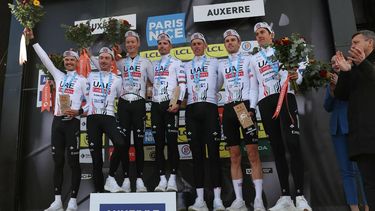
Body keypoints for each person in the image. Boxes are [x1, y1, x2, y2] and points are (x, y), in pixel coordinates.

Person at [249, 22, 312, 211]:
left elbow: (300, 70)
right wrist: (252, 108)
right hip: (266, 102)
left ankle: (300, 197)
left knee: (293, 144)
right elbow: (254, 87)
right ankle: (285, 196)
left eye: (263, 32)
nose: (260, 35)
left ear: (271, 34)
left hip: (286, 98)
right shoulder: (253, 59)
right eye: (257, 33)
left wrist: (296, 77)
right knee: (276, 149)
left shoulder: (284, 49)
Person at [33, 43, 87, 211]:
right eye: (66, 60)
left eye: (72, 60)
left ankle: (72, 200)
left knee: (73, 162)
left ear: (77, 62)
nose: (69, 62)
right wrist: (33, 41)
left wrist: (77, 111)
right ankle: (57, 201)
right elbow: (43, 58)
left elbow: (91, 104)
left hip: (73, 122)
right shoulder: (59, 75)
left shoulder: (83, 80)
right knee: (58, 162)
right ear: (64, 62)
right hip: (57, 122)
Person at [217, 29, 266, 211]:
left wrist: (252, 107)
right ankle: (239, 201)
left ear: (239, 42)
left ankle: (259, 199)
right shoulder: (221, 64)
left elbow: (254, 86)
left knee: (253, 153)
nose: (230, 43)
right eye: (227, 40)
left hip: (244, 108)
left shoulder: (248, 59)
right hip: (229, 109)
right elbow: (215, 86)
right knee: (234, 155)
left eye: (233, 40)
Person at [103, 30, 153, 193]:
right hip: (123, 104)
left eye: (133, 42)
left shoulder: (146, 62)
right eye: (128, 42)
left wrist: (151, 92)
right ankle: (125, 179)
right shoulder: (119, 63)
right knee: (122, 144)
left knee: (139, 144)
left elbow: (156, 81)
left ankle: (139, 179)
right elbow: (102, 66)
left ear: (138, 44)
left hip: (139, 104)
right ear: (125, 45)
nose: (130, 44)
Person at [184, 32, 225, 211]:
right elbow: (181, 86)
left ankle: (217, 200)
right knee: (197, 156)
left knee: (214, 154)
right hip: (192, 109)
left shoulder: (215, 62)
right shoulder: (185, 66)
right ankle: (199, 200)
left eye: (199, 43)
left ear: (205, 45)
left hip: (209, 107)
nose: (197, 46)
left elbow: (220, 82)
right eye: (194, 44)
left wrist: (210, 94)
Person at [334, 30, 375, 210]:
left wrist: (363, 63)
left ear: (370, 43)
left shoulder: (367, 65)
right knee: (369, 184)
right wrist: (345, 72)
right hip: (361, 138)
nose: (352, 46)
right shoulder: (354, 68)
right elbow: (341, 95)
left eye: (356, 42)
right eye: (351, 43)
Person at [324, 55, 369, 211]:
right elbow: (327, 107)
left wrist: (342, 85)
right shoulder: (330, 82)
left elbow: (358, 99)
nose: (335, 64)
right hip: (337, 130)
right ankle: (354, 207)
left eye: (337, 61)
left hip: (353, 126)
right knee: (346, 171)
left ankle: (368, 205)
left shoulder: (352, 77)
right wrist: (331, 90)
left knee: (361, 169)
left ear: (345, 62)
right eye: (332, 63)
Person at [84, 47, 128, 193]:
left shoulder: (117, 79)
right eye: (101, 58)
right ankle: (99, 193)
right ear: (98, 60)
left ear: (111, 61)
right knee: (96, 160)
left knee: (121, 144)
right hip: (92, 118)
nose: (103, 61)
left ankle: (110, 177)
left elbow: (123, 99)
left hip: (109, 116)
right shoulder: (90, 76)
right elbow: (83, 97)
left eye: (106, 58)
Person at [151, 33, 186, 192]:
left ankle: (172, 178)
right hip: (155, 105)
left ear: (170, 46)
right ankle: (161, 180)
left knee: (172, 143)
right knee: (158, 144)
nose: (162, 46)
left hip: (170, 104)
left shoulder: (177, 63)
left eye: (165, 43)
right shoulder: (155, 64)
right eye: (159, 43)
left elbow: (182, 84)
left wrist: (178, 102)